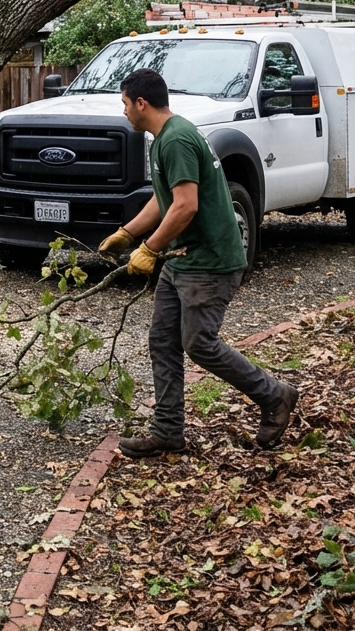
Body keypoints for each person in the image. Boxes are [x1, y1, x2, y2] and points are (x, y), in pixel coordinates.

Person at [100, 67, 298, 457]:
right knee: (162, 340)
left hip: (210, 260)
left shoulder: (175, 140)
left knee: (200, 344)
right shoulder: (164, 138)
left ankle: (275, 395)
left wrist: (150, 249)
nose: (123, 111)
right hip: (183, 259)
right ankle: (168, 430)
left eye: (125, 103)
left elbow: (187, 206)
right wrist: (128, 233)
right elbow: (166, 199)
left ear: (142, 103)